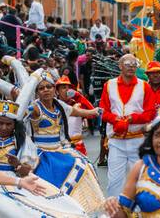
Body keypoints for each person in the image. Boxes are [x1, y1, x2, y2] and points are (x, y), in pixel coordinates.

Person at [27, 69, 104, 212]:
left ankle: (75, 209)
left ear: (54, 89)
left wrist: (93, 112)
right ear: (37, 92)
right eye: (41, 88)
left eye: (48, 87)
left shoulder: (58, 105)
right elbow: (22, 110)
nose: (45, 90)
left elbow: (76, 112)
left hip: (60, 149)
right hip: (41, 153)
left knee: (84, 165)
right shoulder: (35, 108)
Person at [99, 54, 158, 197]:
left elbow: (150, 113)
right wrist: (115, 120)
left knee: (140, 178)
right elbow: (103, 111)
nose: (131, 66)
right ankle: (115, 210)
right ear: (120, 66)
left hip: (137, 140)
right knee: (114, 180)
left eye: (134, 63)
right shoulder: (109, 85)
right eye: (127, 63)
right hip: (116, 140)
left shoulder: (144, 86)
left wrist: (132, 119)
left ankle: (139, 211)